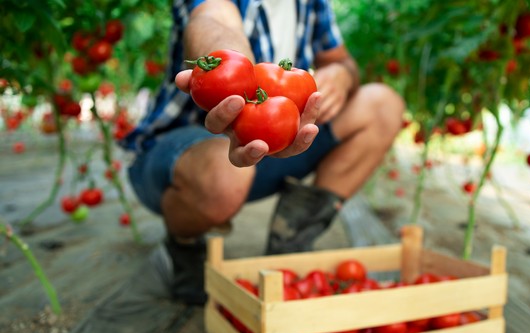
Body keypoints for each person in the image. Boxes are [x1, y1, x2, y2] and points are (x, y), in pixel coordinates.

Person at [120, 0, 405, 306]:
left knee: (383, 105)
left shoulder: (312, 3)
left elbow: (341, 59)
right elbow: (213, 20)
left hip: (274, 140)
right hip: (182, 155)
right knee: (222, 173)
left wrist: (341, 74)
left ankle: (291, 238)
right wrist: (231, 70)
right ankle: (185, 245)